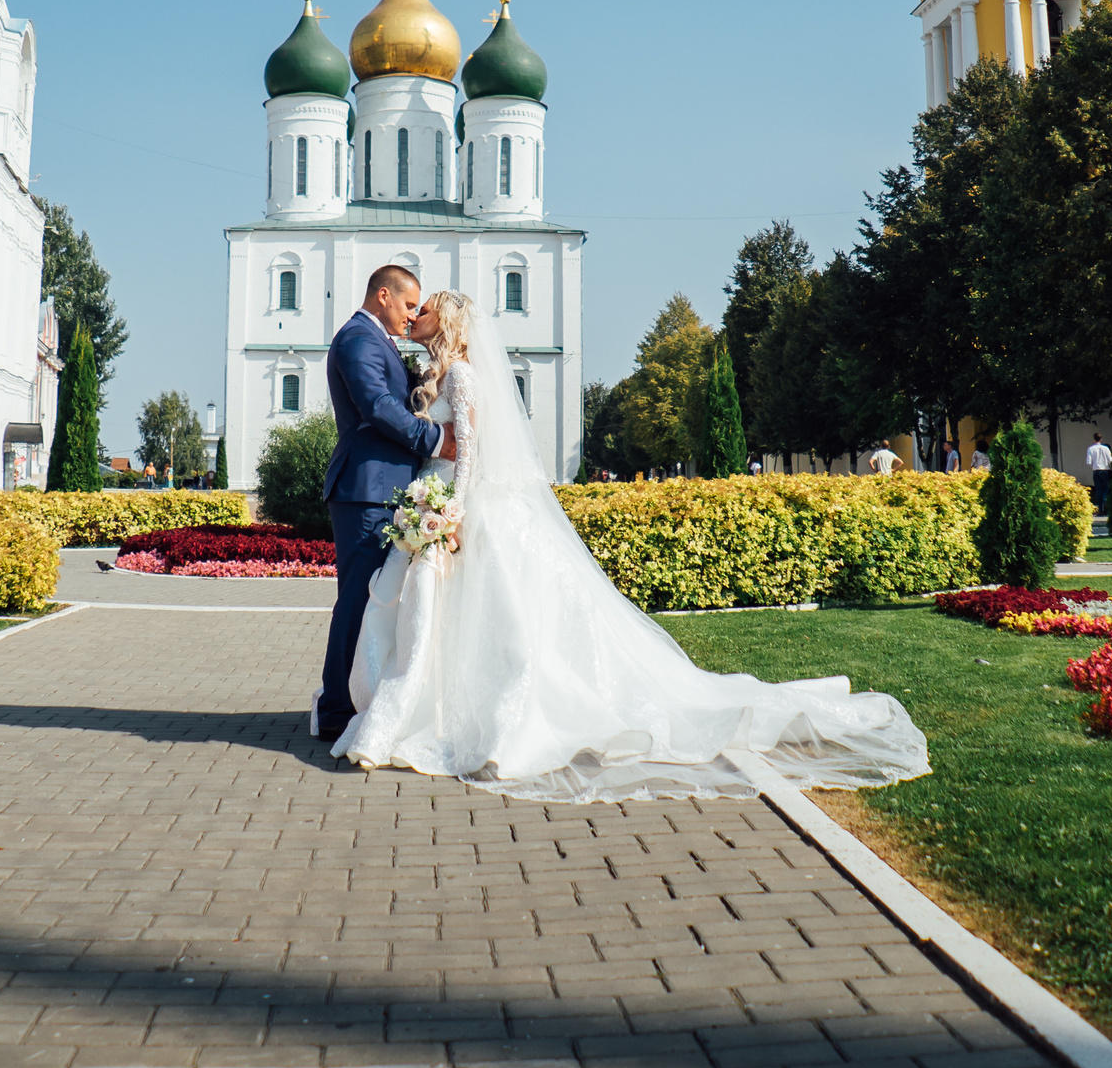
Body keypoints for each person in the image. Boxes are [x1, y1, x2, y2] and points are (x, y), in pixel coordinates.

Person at [333, 291, 928, 801]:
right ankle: (422, 709)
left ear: (452, 320)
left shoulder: (461, 374)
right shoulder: (440, 372)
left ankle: (467, 717)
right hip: (443, 507)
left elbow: (472, 449)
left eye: (426, 308)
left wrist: (455, 509)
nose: (416, 315)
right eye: (414, 306)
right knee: (440, 618)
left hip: (466, 509)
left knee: (486, 618)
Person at [314, 265, 453, 741]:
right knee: (357, 598)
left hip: (382, 487)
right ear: (383, 295)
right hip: (365, 489)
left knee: (371, 597)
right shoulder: (358, 339)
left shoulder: (379, 341)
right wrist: (435, 439)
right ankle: (336, 709)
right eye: (408, 305)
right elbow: (376, 405)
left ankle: (354, 699)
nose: (412, 316)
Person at [1084, 432, 1112, 515]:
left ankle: (1100, 509)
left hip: (1096, 471)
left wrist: (1094, 465)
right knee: (1106, 490)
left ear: (1094, 439)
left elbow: (1089, 462)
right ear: (1101, 439)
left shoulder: (1091, 449)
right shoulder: (1106, 449)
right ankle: (1106, 507)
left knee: (1099, 490)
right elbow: (1111, 460)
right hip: (1105, 470)